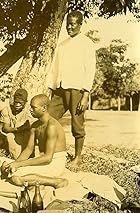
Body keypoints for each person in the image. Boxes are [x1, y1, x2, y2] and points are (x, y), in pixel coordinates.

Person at [46, 10, 96, 166]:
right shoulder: (62, 45)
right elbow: (55, 68)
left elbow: (90, 69)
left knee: (77, 124)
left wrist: (86, 95)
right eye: (68, 24)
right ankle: (48, 152)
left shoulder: (87, 43)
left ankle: (77, 158)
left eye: (73, 24)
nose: (69, 27)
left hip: (77, 90)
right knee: (48, 118)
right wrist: (51, 88)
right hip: (60, 90)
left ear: (80, 25)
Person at [1, 95, 68, 189]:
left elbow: (48, 158)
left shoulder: (51, 126)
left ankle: (56, 181)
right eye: (30, 107)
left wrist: (19, 165)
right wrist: (15, 164)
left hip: (54, 162)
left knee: (17, 178)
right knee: (4, 165)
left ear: (44, 108)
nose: (30, 110)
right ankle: (34, 180)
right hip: (43, 160)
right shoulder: (35, 126)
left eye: (33, 107)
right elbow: (28, 150)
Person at [0, 88, 34, 159]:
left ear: (25, 102)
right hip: (12, 134)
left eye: (20, 103)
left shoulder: (29, 110)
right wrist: (20, 129)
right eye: (16, 102)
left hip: (24, 135)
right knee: (9, 137)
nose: (17, 105)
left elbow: (31, 126)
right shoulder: (7, 109)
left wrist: (24, 129)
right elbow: (6, 128)